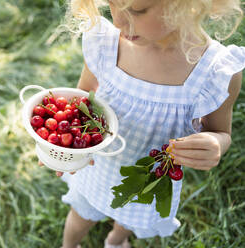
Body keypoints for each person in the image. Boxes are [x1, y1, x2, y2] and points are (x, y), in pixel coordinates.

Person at [39, 0, 245, 247]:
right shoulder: (107, 44)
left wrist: (215, 144)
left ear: (186, 4)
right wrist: (66, 150)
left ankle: (115, 240)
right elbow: (82, 102)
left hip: (147, 181)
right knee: (81, 215)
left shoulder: (215, 71)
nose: (118, 21)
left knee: (127, 219)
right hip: (96, 168)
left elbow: (221, 132)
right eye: (112, 4)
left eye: (136, 11)